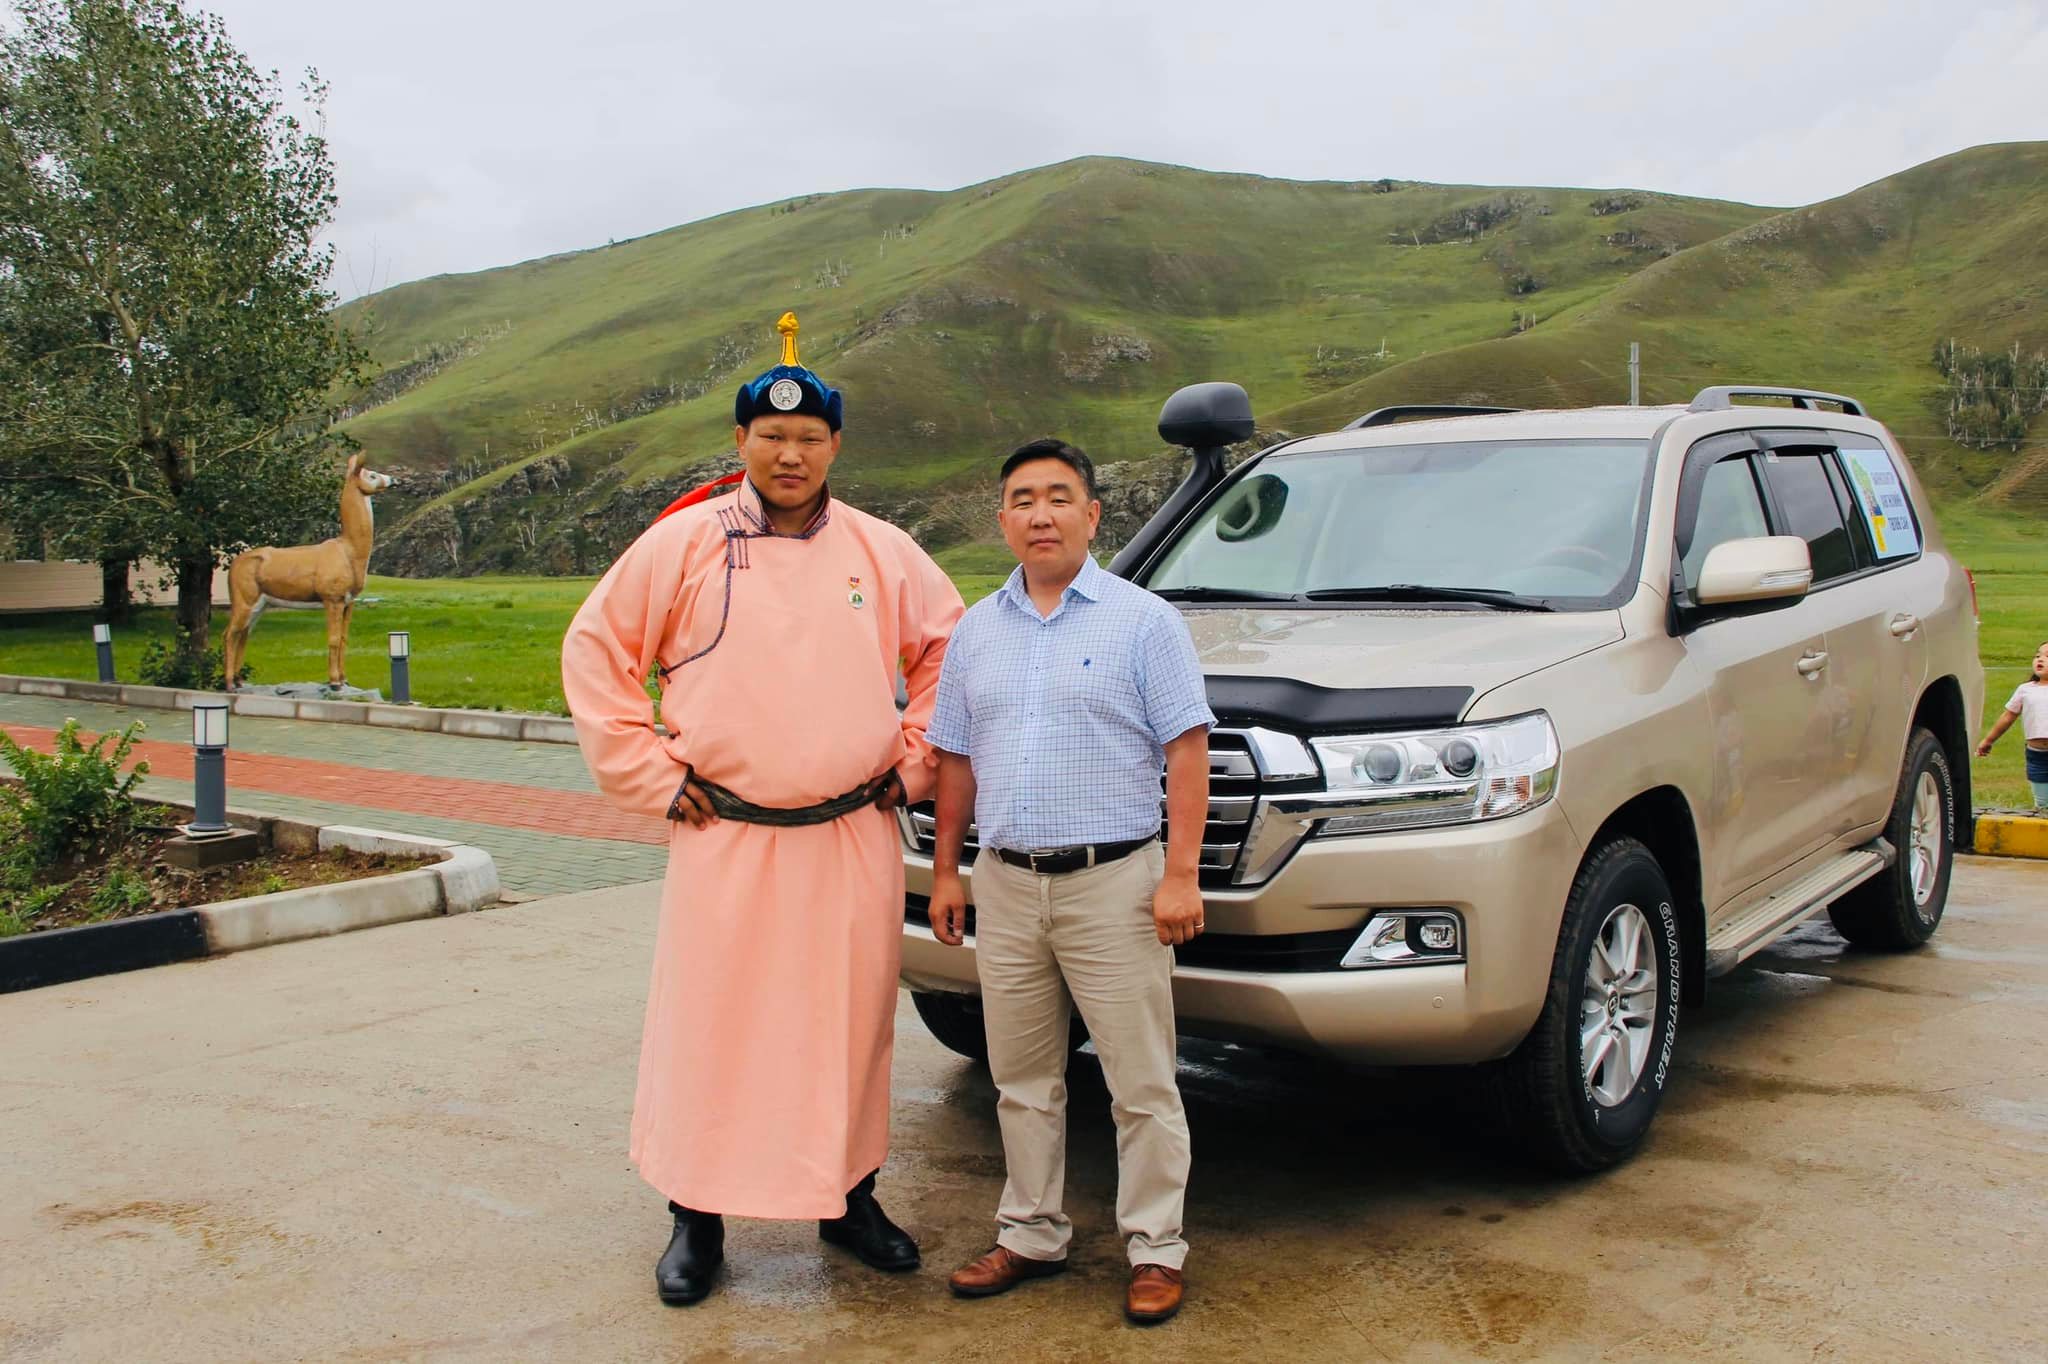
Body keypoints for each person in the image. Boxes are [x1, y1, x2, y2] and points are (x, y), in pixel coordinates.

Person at [560, 313, 964, 1306]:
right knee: (714, 1026)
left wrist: (914, 761)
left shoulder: (881, 550)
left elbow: (949, 653)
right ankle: (695, 1216)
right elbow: (595, 651)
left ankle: (847, 1197)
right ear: (741, 440)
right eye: (772, 436)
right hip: (725, 834)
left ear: (835, 445)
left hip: (849, 835)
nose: (790, 454)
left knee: (849, 1025)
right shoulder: (682, 543)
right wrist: (651, 772)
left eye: (809, 437)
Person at [924, 437, 1214, 1325]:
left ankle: (1156, 1248)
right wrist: (947, 873)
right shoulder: (977, 630)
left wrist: (1181, 875)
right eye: (1023, 499)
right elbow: (956, 760)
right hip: (1007, 886)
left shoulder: (1143, 621)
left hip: (1114, 884)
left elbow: (1187, 750)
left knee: (1141, 1083)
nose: (1040, 514)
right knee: (1021, 1078)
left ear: (1092, 515)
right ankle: (1031, 1232)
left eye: (1058, 498)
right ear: (1002, 520)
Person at [1977, 639, 2048, 808]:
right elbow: (2008, 717)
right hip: (2037, 754)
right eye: (2037, 655)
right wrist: (1988, 741)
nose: (2040, 659)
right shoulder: (2026, 690)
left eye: (2047, 656)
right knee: (2042, 803)